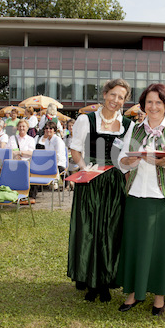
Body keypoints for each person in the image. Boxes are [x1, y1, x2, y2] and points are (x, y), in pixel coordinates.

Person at [117, 83, 165, 317]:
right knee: (135, 246)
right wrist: (129, 161)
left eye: (158, 102)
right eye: (149, 102)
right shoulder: (134, 129)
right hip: (137, 197)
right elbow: (121, 160)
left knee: (161, 249)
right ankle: (132, 293)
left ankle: (159, 297)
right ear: (144, 105)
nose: (153, 106)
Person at [66, 79, 133, 302]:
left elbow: (125, 158)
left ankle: (105, 280)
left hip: (114, 182)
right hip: (90, 180)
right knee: (89, 229)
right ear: (105, 94)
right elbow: (75, 150)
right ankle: (89, 281)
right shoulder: (86, 119)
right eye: (113, 94)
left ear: (125, 101)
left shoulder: (128, 124)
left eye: (121, 97)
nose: (116, 100)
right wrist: (86, 169)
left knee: (110, 230)